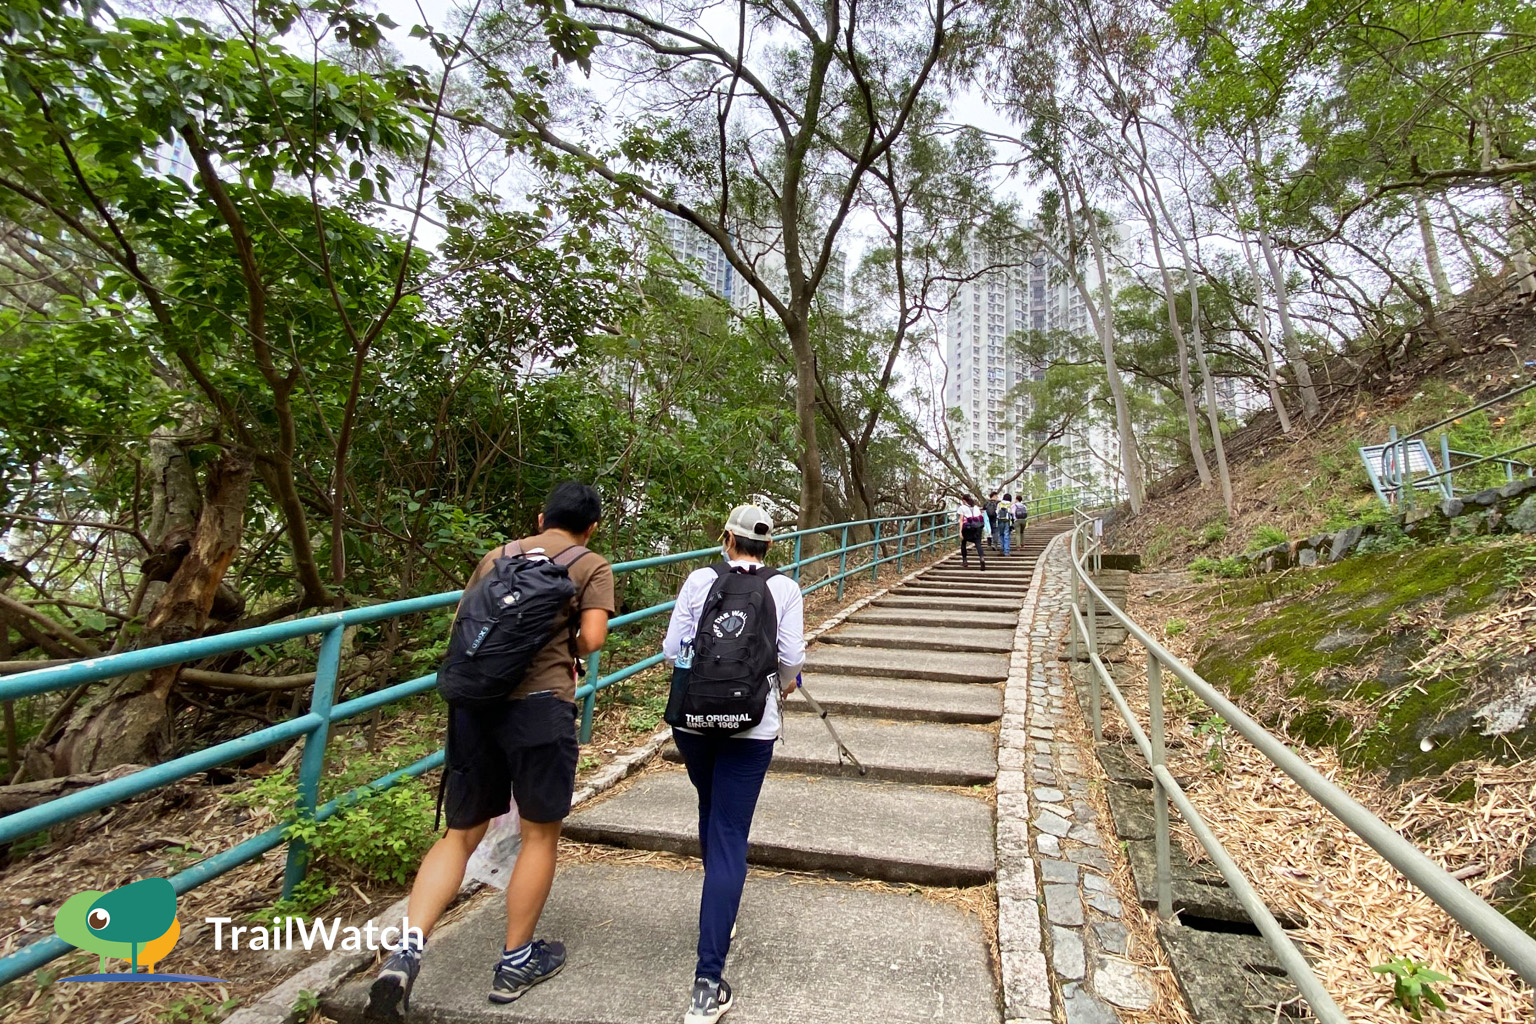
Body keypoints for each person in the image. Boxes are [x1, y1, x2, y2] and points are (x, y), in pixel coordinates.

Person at [366, 482, 615, 1022]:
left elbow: (465, 624)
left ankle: (405, 953)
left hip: (476, 707)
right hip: (541, 708)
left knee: (459, 835)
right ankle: (515, 962)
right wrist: (561, 643)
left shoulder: (498, 555)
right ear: (591, 527)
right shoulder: (590, 564)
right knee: (539, 835)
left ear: (541, 516)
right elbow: (593, 640)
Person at [661, 504, 805, 1024]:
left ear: (727, 538)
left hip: (693, 720)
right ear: (770, 545)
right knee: (729, 831)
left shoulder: (700, 580)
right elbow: (791, 661)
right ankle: (707, 982)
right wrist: (779, 683)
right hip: (752, 725)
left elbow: (672, 649)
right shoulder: (783, 588)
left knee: (710, 807)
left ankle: (717, 916)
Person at [956, 495, 987, 570]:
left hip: (967, 528)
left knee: (963, 543)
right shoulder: (976, 507)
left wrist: (960, 531)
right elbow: (980, 517)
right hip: (977, 528)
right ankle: (981, 558)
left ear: (964, 500)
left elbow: (961, 520)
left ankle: (964, 561)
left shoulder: (962, 507)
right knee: (978, 544)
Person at [997, 492, 1015, 557]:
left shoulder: (999, 504)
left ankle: (1002, 548)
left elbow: (997, 512)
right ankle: (1006, 552)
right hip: (1007, 521)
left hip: (1000, 521)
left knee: (1001, 534)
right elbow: (1012, 513)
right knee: (1006, 535)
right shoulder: (1010, 504)